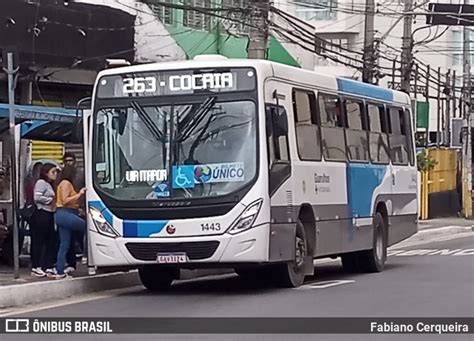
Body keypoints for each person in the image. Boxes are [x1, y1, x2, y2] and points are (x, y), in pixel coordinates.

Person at [55, 165, 86, 279]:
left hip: (62, 214)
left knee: (64, 244)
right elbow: (65, 200)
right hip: (66, 213)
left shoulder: (62, 183)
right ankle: (86, 254)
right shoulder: (66, 183)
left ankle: (60, 271)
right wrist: (79, 194)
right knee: (88, 228)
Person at [31, 163, 58, 277]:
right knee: (39, 240)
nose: (55, 174)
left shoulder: (49, 184)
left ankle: (48, 265)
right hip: (42, 213)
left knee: (50, 240)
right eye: (53, 172)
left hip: (50, 214)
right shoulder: (41, 183)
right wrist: (49, 200)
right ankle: (36, 266)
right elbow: (37, 197)